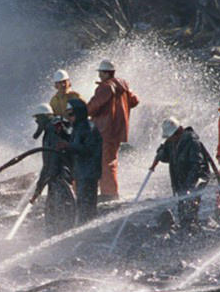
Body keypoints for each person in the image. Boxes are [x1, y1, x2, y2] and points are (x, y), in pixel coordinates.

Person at [86, 59, 139, 200]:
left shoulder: (105, 87)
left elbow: (92, 107)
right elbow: (135, 101)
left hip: (104, 130)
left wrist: (80, 113)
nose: (98, 76)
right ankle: (110, 191)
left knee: (105, 163)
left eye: (100, 73)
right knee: (111, 161)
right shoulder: (124, 85)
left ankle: (109, 194)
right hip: (117, 131)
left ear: (105, 73)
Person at [155, 117, 211, 230]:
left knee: (189, 205)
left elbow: (197, 166)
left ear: (180, 129)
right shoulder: (171, 141)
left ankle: (190, 229)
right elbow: (167, 158)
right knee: (182, 205)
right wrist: (160, 151)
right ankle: (186, 228)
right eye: (169, 137)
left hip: (195, 179)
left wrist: (188, 186)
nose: (171, 139)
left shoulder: (192, 142)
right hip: (181, 178)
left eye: (173, 136)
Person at [28, 104, 75, 235]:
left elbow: (55, 156)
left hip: (61, 177)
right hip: (56, 177)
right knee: (52, 209)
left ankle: (63, 235)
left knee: (61, 209)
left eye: (37, 118)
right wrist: (39, 189)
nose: (36, 122)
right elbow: (47, 163)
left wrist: (52, 177)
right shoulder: (50, 130)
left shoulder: (55, 129)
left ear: (44, 117)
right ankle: (54, 235)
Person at [59, 98, 102, 225]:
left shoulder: (89, 127)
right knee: (82, 206)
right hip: (81, 173)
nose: (69, 118)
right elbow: (75, 146)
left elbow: (89, 149)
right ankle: (83, 231)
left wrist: (68, 146)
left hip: (88, 174)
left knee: (87, 208)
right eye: (68, 114)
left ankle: (89, 234)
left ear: (80, 112)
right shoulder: (77, 128)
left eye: (71, 114)